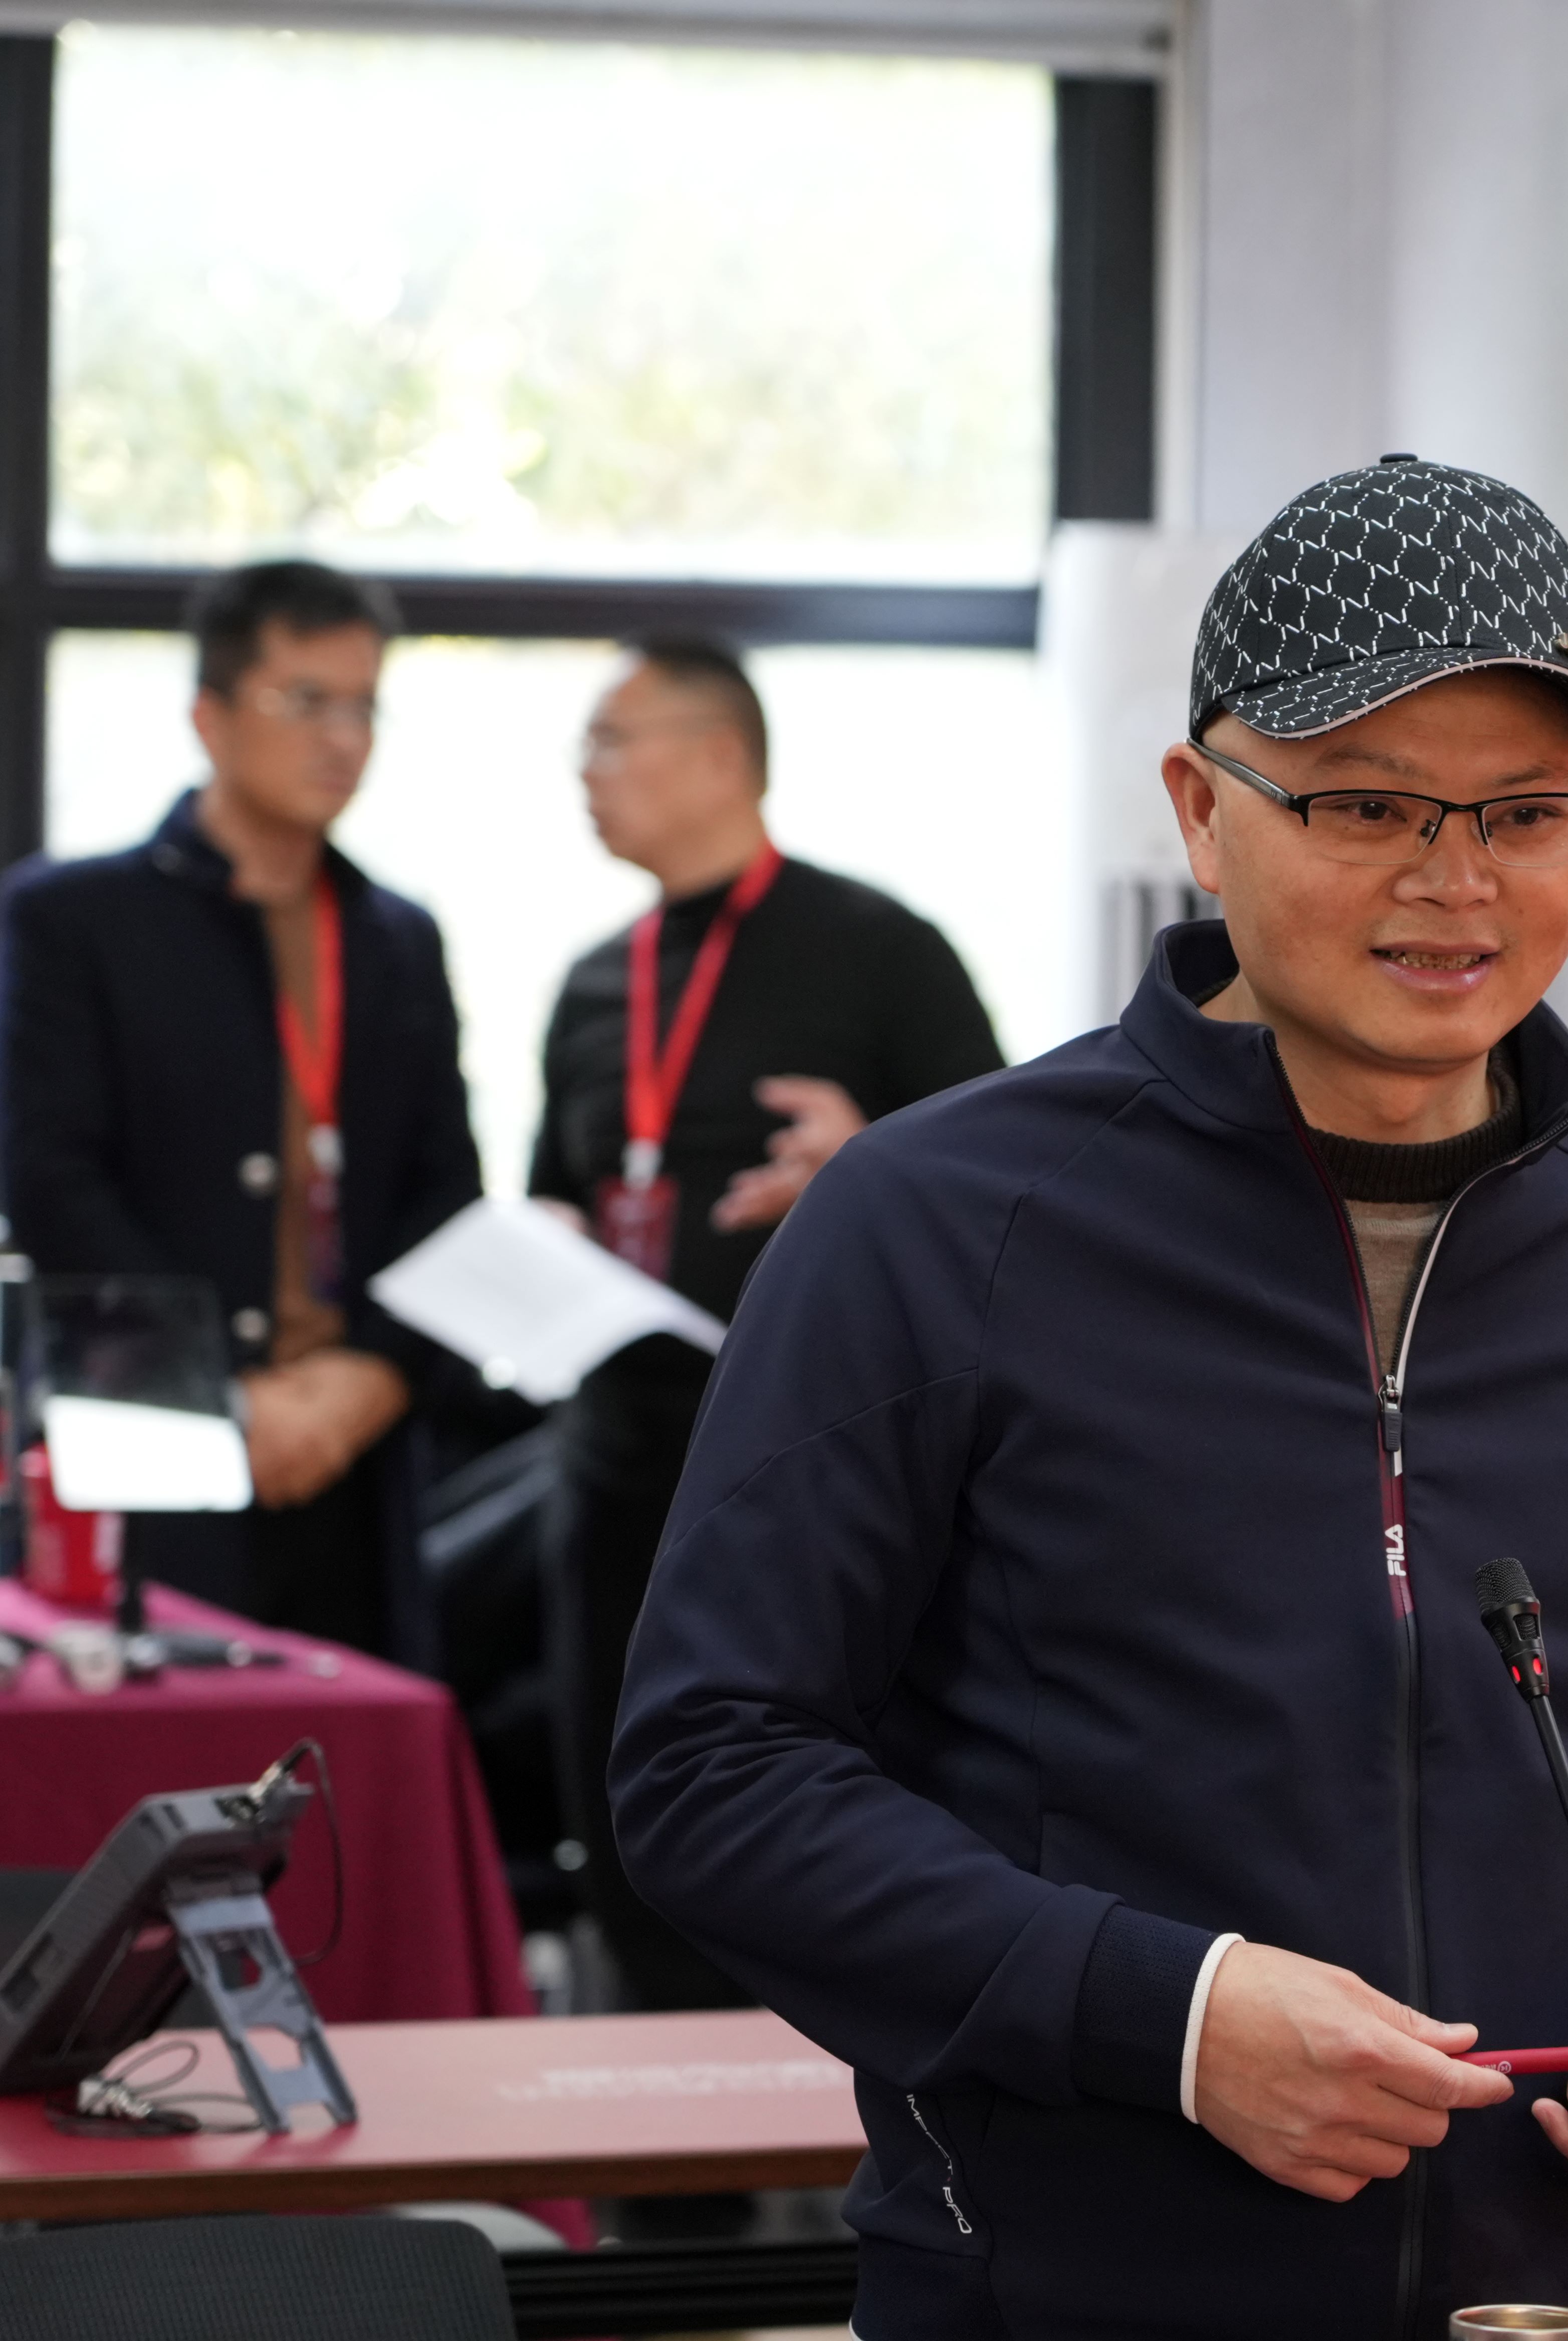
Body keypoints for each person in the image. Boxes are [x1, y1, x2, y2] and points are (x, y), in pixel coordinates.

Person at [608, 456, 1568, 2339]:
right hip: (1058, 2293)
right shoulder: (939, 1224)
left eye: (1529, 811)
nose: (1455, 879)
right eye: (1366, 803)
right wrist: (1174, 2017)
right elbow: (715, 1770)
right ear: (1203, 812)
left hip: (1566, 2295)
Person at [526, 636, 1004, 2012]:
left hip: (814, 1461)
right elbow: (557, 1187)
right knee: (621, 1797)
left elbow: (1011, 1195)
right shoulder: (593, 981)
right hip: (617, 1458)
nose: (586, 774)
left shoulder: (880, 948)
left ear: (720, 754)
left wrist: (866, 1163)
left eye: (612, 742)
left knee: (799, 1808)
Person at [0, 560, 480, 1656]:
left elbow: (445, 1191)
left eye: (364, 705)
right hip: (144, 1435)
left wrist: (372, 1375)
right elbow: (51, 1183)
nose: (342, 738)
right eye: (306, 700)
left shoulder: (397, 937)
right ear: (209, 715)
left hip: (350, 1450)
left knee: (349, 1743)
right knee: (144, 1742)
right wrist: (227, 1395)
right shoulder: (74, 917)